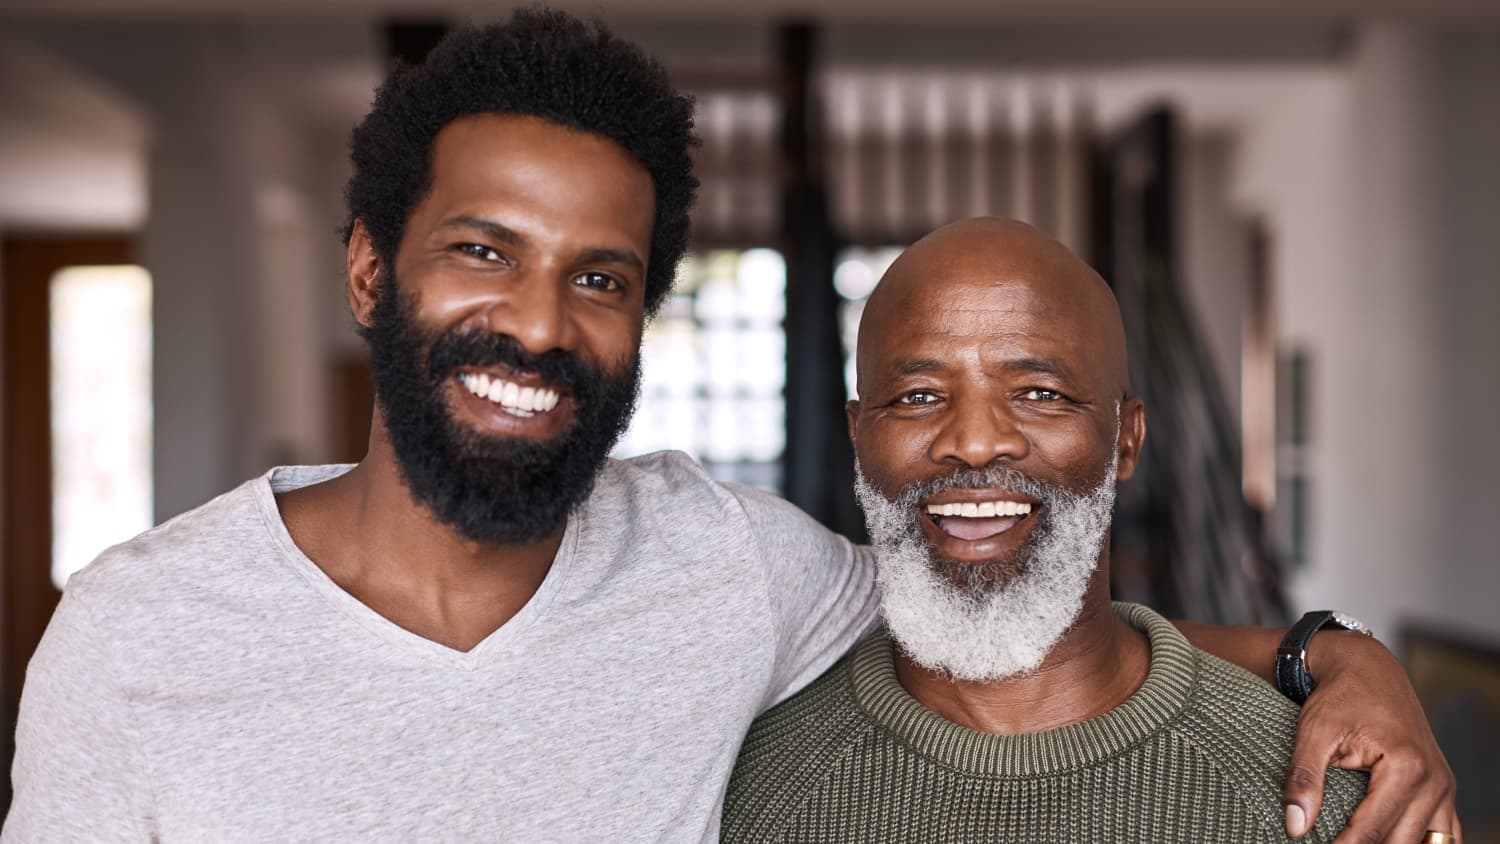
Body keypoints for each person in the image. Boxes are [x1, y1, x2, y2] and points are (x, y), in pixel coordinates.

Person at [3, 10, 1454, 843]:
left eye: (603, 278)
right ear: (372, 268)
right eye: (484, 251)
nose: (542, 325)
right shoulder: (140, 641)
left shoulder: (725, 564)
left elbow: (1018, 608)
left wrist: (1340, 659)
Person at [722, 218, 1461, 844]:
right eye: (918, 396)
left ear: (1126, 439)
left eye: (1040, 393)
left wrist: (1347, 651)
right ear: (858, 437)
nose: (976, 443)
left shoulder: (1321, 804)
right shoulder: (747, 799)